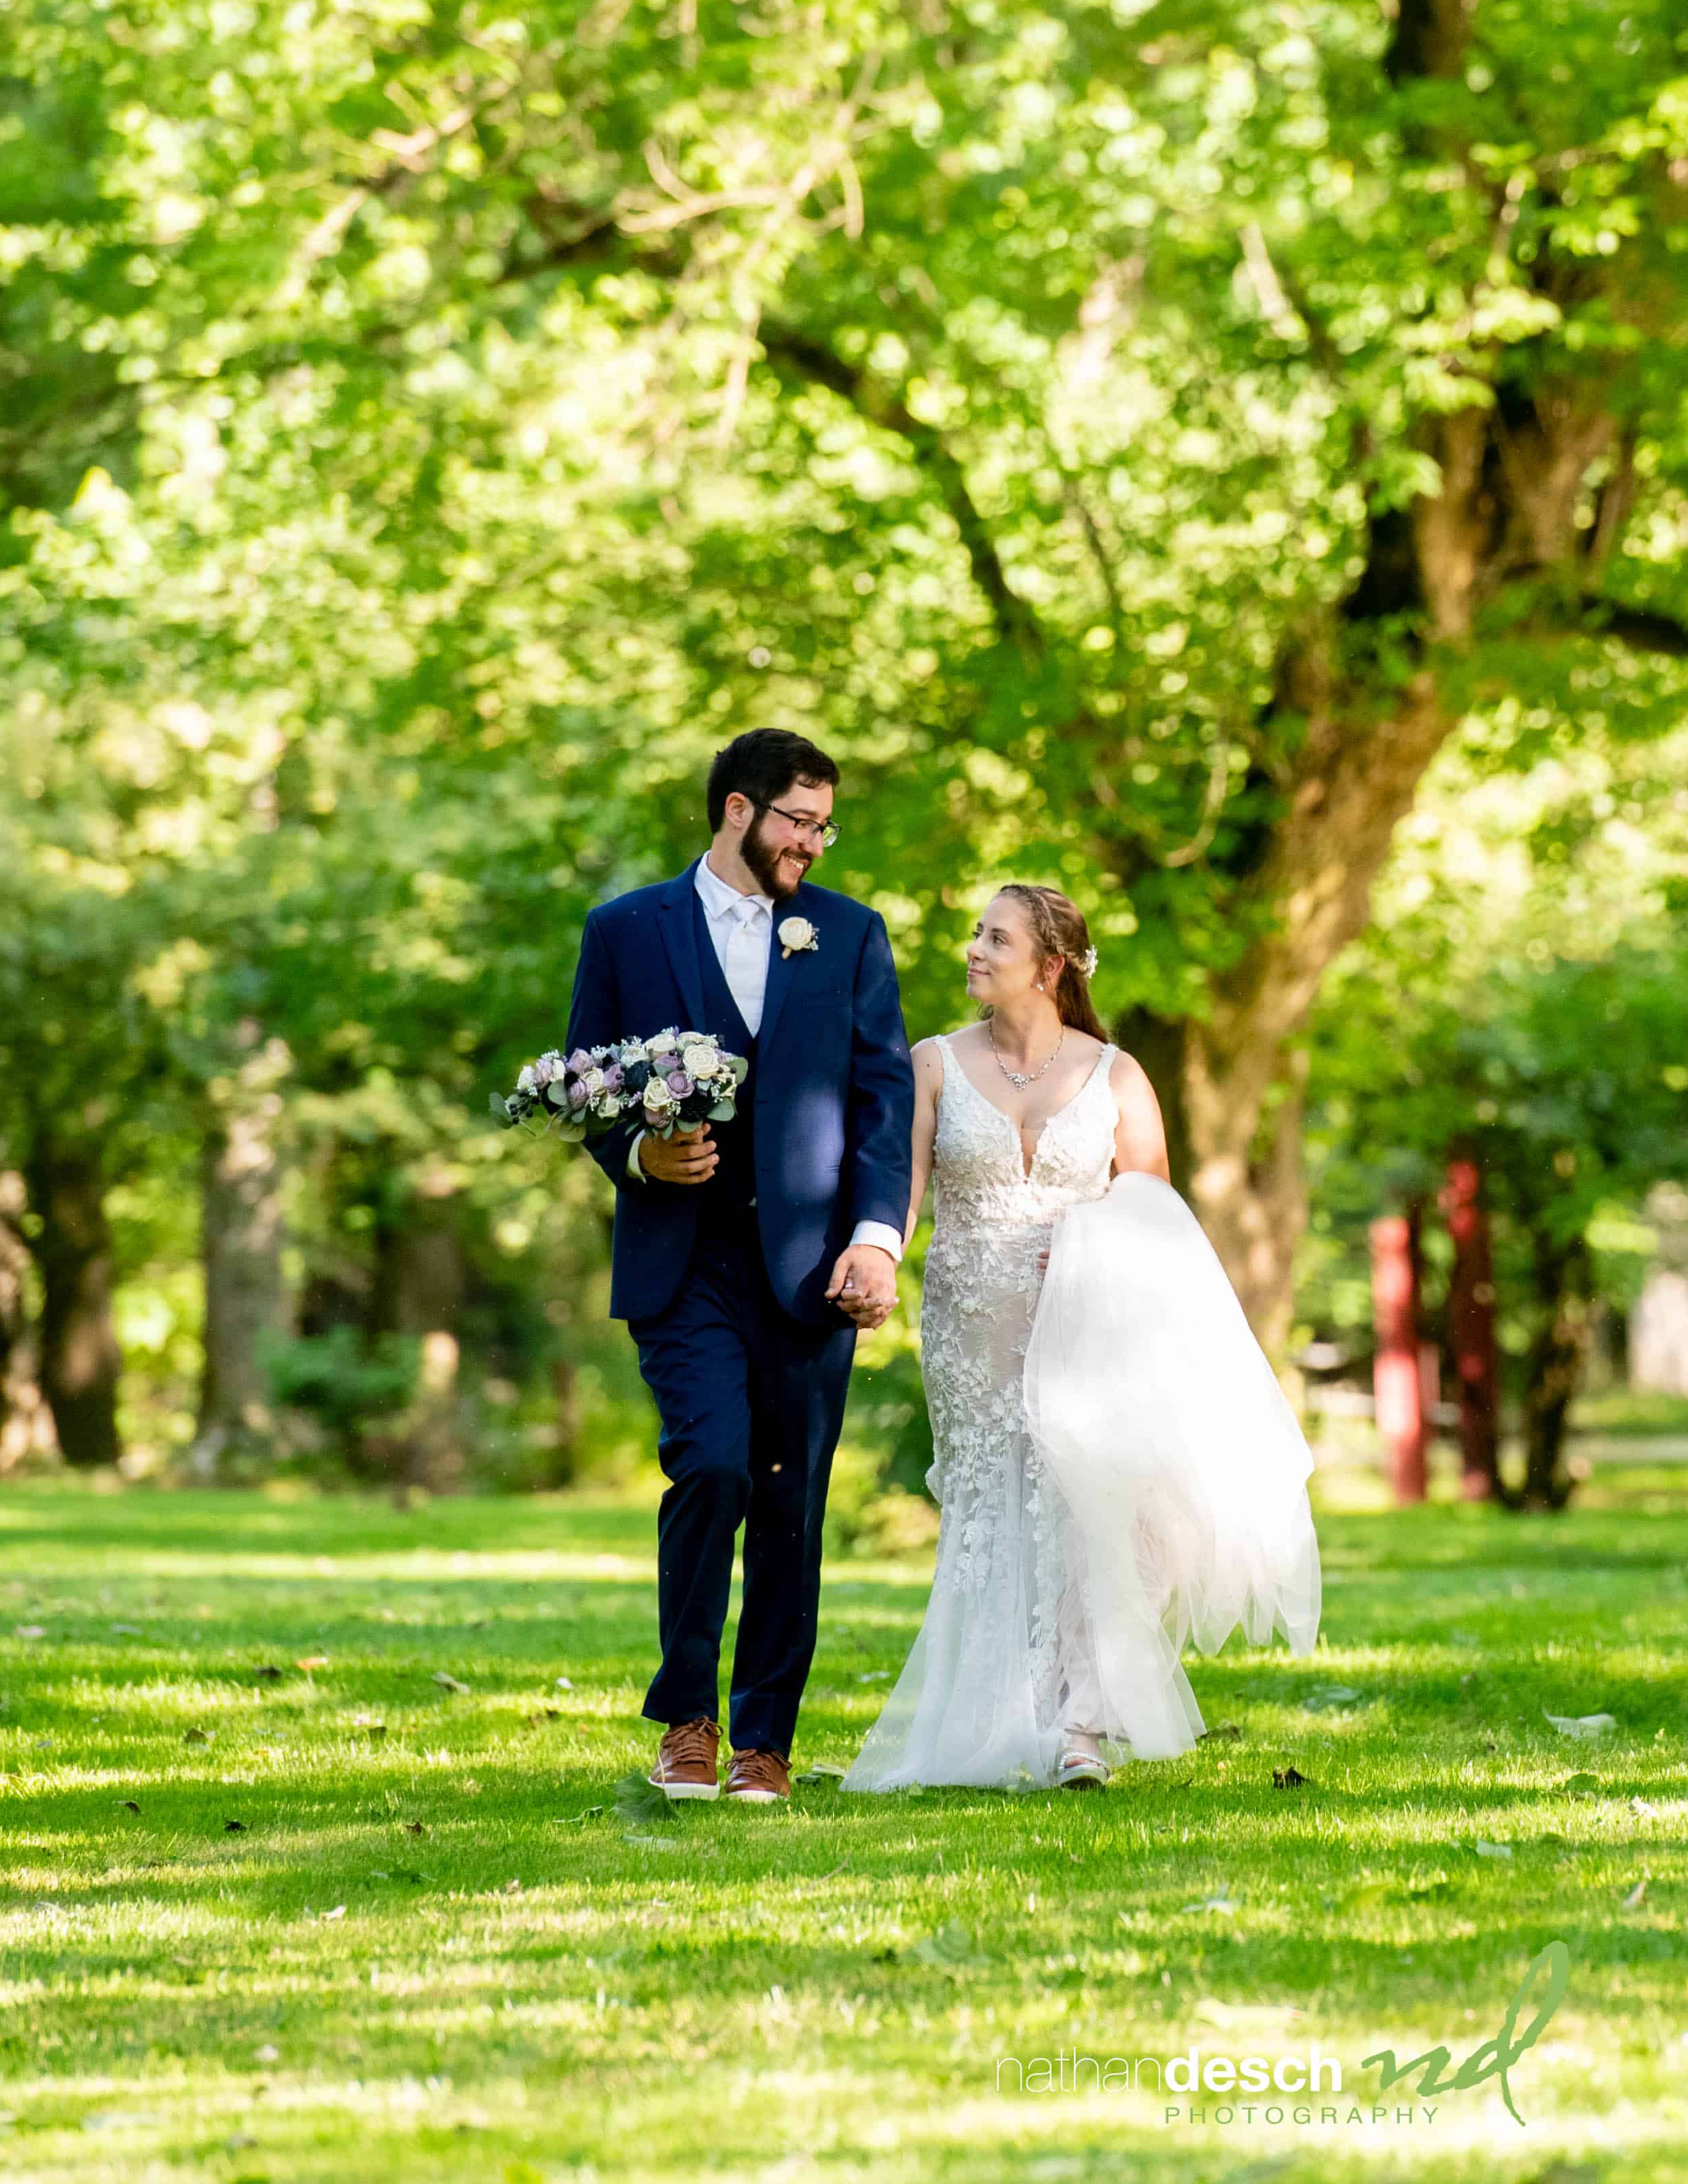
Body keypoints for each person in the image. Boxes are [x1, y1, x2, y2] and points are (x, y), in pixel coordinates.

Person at [842, 883, 1320, 1794]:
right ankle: (987, 1717)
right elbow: (898, 1189)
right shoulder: (935, 1063)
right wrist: (881, 1264)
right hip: (970, 1322)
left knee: (1087, 1509)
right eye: (977, 935)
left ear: (1051, 966)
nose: (973, 951)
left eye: (995, 938)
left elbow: (1151, 1214)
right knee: (990, 1508)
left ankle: (1080, 1724)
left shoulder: (1117, 1076)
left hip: (1088, 1324)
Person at [563, 728, 909, 1804]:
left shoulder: (848, 935)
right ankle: (687, 1719)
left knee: (791, 1500)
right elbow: (587, 1086)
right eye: (799, 821)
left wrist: (875, 1236)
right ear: (736, 811)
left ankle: (766, 1737)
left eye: (823, 824)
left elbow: (881, 1099)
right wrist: (639, 1154)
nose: (814, 843)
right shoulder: (625, 930)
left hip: (813, 1267)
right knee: (709, 1468)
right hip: (686, 1262)